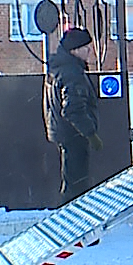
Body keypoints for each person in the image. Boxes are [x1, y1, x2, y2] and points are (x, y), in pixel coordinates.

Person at [43, 27, 101, 203]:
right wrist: (91, 134)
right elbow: (72, 109)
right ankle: (73, 219)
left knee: (71, 180)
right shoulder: (72, 73)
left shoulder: (57, 68)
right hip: (74, 135)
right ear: (75, 50)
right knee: (76, 186)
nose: (90, 51)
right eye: (86, 47)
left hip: (63, 133)